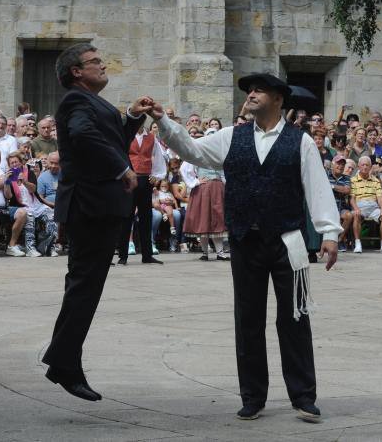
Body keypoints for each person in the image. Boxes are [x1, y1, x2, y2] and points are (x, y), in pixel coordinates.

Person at [151, 73, 341, 423]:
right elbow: (193, 151)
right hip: (245, 240)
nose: (251, 95)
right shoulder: (230, 137)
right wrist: (164, 121)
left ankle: (303, 396)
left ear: (279, 100)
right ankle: (252, 396)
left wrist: (329, 232)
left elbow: (317, 187)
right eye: (250, 91)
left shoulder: (301, 142)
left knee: (295, 318)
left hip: (289, 241)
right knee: (248, 320)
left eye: (259, 91)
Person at [42, 42, 147, 402]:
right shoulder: (76, 100)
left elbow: (113, 140)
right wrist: (121, 168)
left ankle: (63, 360)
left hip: (100, 206)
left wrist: (132, 117)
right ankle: (64, 364)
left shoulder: (93, 102)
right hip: (90, 206)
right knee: (84, 286)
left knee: (86, 286)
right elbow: (83, 136)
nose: (103, 66)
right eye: (95, 62)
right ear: (76, 72)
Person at [116, 124, 166, 265]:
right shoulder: (126, 136)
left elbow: (159, 158)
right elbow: (119, 155)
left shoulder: (151, 137)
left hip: (145, 179)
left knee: (146, 217)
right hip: (129, 179)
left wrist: (157, 175)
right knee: (127, 216)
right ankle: (123, 255)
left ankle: (147, 255)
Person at [5, 151, 58, 257]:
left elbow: (33, 189)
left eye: (16, 162)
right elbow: (8, 197)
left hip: (36, 204)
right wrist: (6, 182)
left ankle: (50, 247)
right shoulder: (9, 177)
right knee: (29, 217)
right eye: (12, 163)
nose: (14, 164)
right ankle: (30, 248)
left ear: (21, 163)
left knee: (51, 215)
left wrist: (24, 181)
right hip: (22, 206)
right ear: (9, 165)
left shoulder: (29, 173)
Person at [349, 156, 382, 254]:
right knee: (356, 215)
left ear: (370, 167)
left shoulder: (375, 180)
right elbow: (352, 199)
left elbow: (379, 197)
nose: (365, 167)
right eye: (362, 165)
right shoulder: (353, 180)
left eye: (367, 165)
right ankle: (357, 243)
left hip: (373, 206)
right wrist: (356, 208)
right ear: (359, 166)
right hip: (360, 205)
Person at [328, 155, 353, 251]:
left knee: (349, 216)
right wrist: (340, 189)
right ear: (333, 164)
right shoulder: (326, 174)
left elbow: (346, 190)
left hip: (341, 206)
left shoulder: (346, 178)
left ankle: (339, 240)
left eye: (343, 164)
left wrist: (332, 187)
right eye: (338, 164)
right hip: (327, 206)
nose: (341, 166)